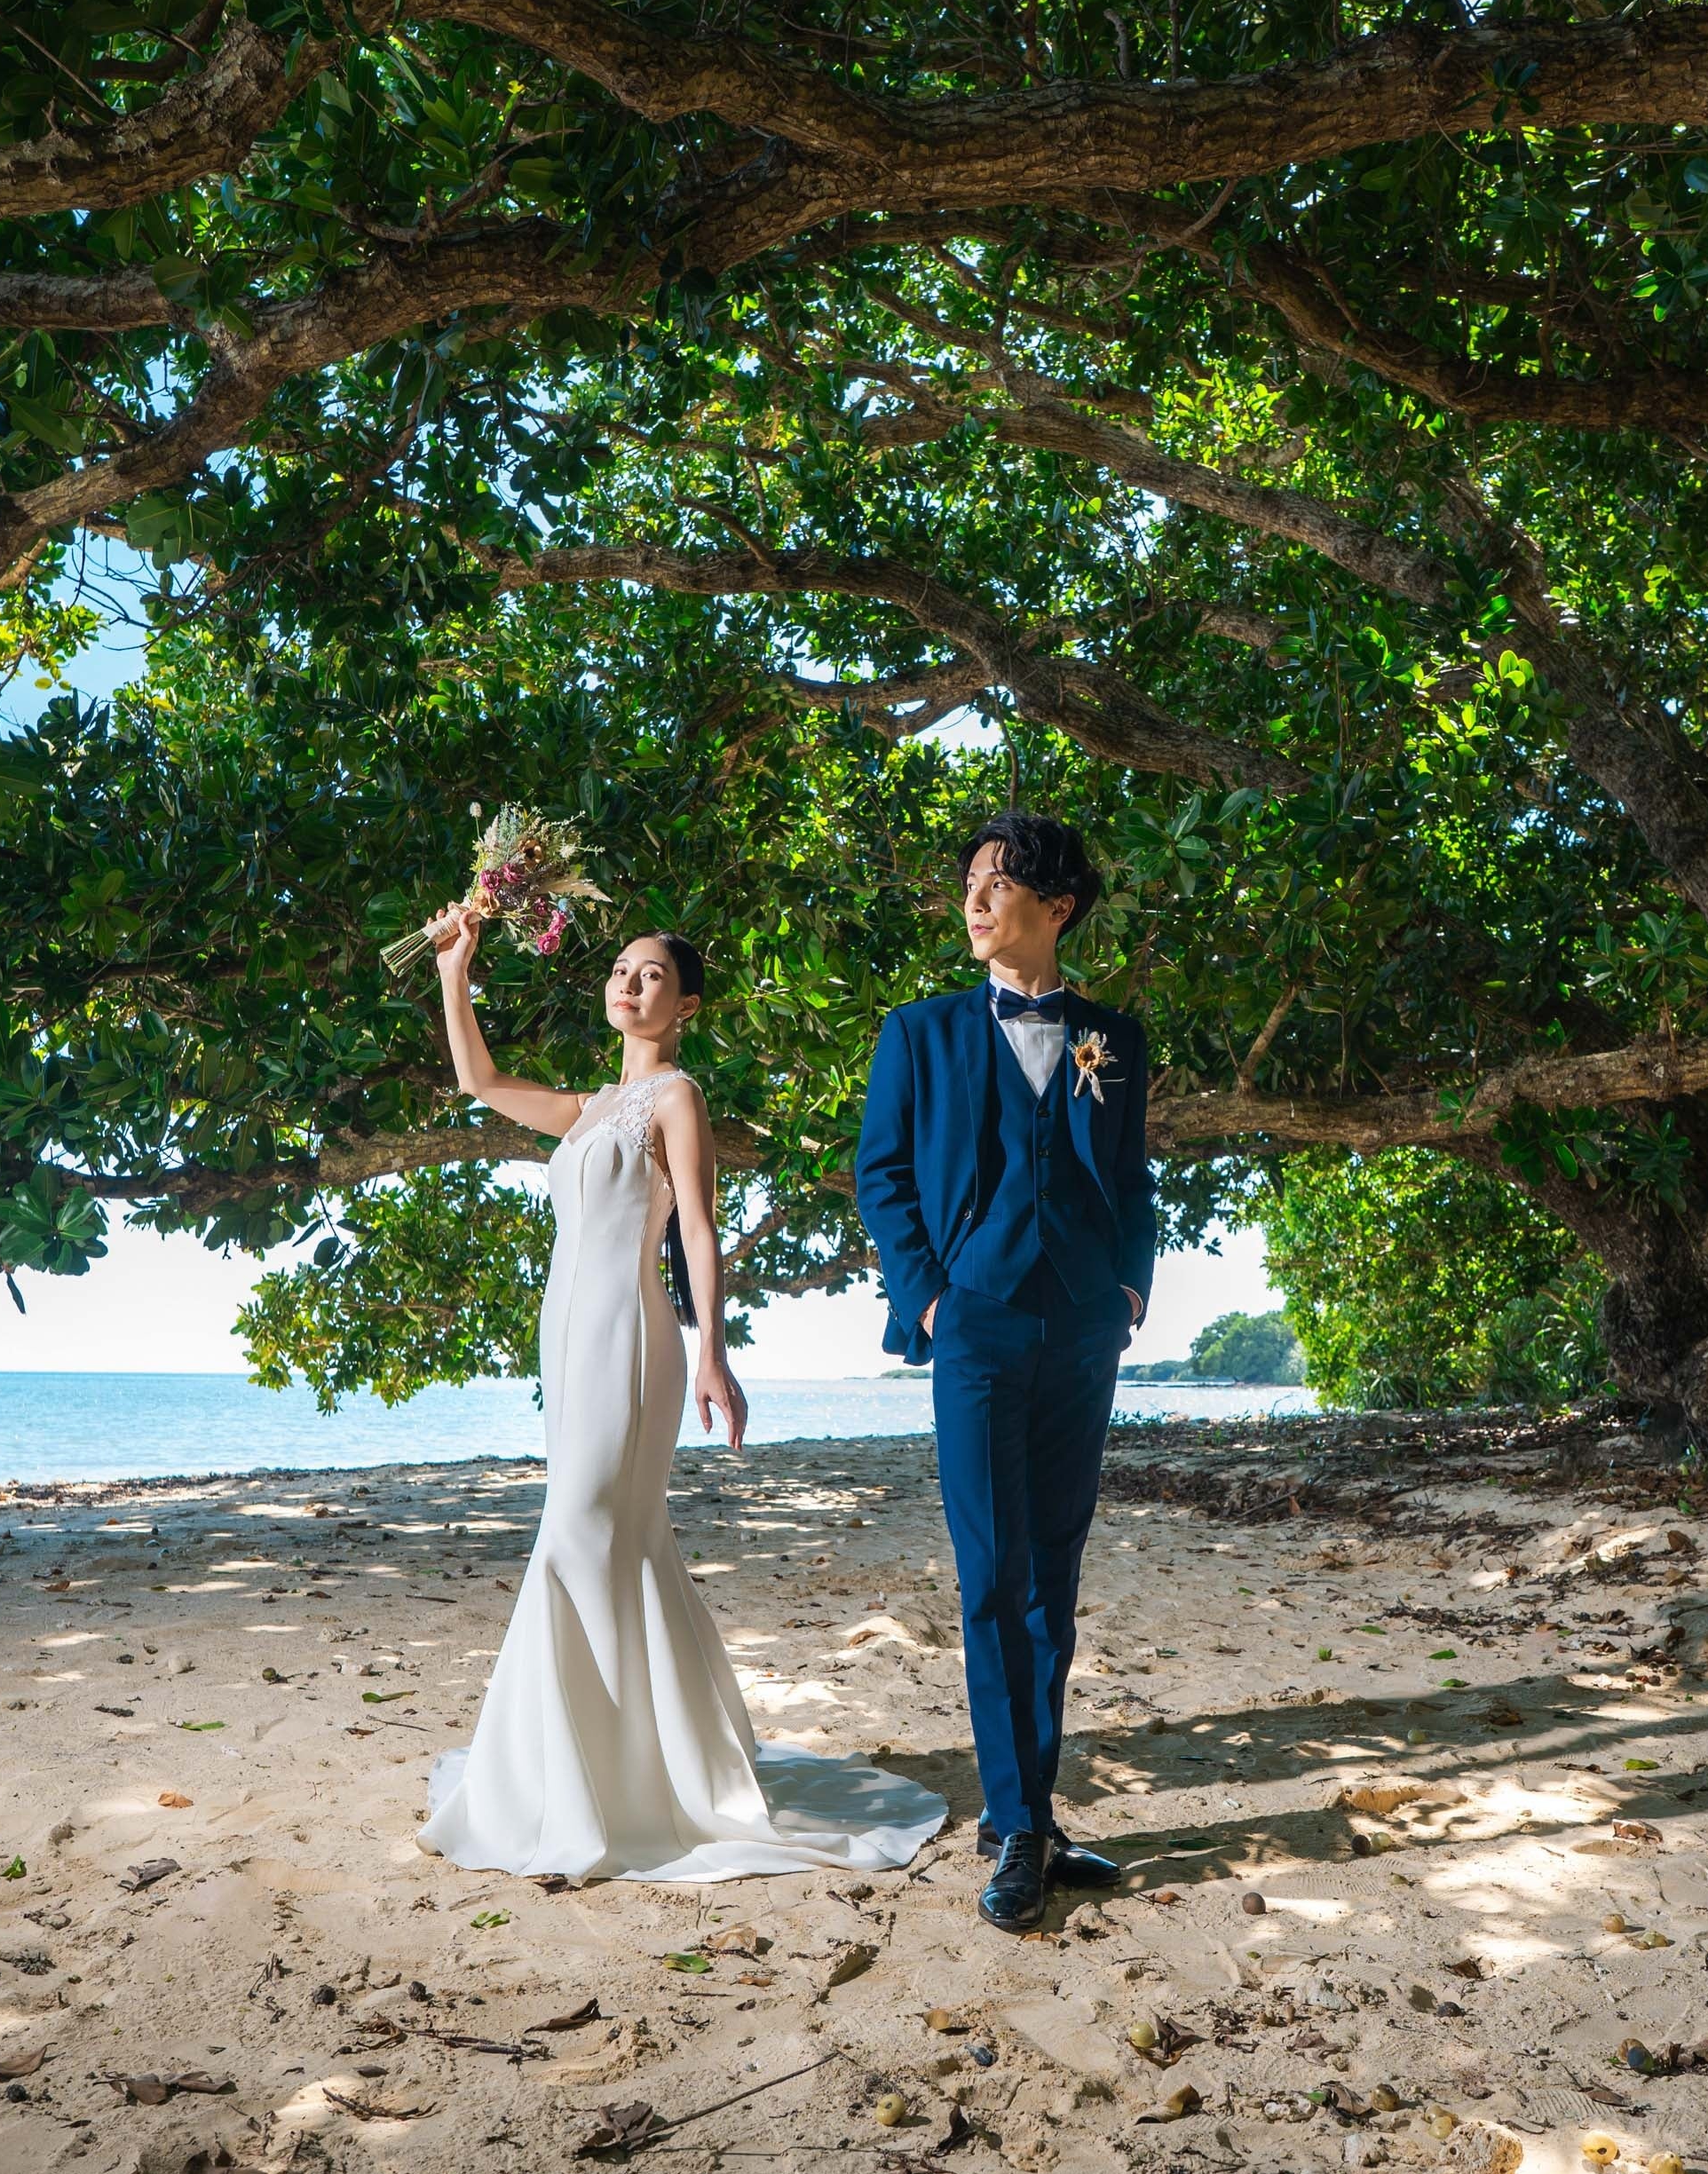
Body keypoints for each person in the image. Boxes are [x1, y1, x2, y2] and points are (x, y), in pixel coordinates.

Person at [412, 905, 944, 1881]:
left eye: (652, 973)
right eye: (621, 968)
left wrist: (713, 1353)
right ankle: (610, 1762)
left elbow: (696, 1226)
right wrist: (456, 967)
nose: (629, 982)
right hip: (566, 1340)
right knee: (612, 1538)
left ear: (685, 1004)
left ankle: (610, 1782)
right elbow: (478, 1081)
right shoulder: (586, 1108)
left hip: (632, 1335)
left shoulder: (676, 1096)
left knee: (584, 1528)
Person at [852, 812, 1155, 1930]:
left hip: (1083, 1326)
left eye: (998, 883)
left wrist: (1130, 1291)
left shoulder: (1113, 1036)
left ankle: (1032, 1813)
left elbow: (1132, 1175)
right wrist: (930, 1297)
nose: (974, 901)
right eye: (970, 882)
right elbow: (882, 1174)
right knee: (991, 1573)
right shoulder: (918, 1031)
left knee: (1053, 1573)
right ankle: (1017, 1820)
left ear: (1056, 906)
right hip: (973, 1324)